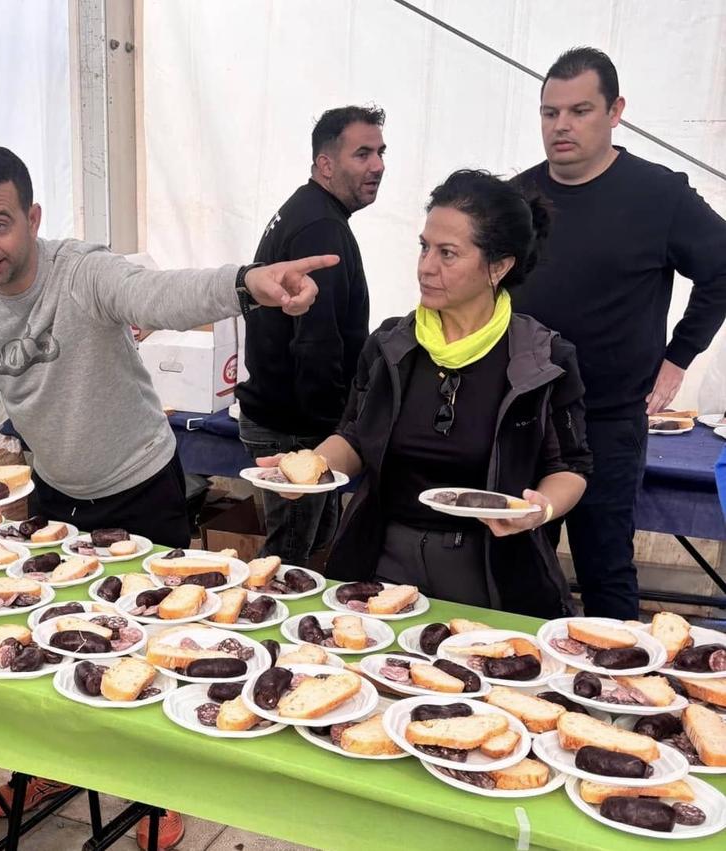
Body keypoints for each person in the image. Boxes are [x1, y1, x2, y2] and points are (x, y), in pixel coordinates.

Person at [0, 145, 331, 849]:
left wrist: (249, 282)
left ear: (32, 217)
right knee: (52, 640)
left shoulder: (81, 274)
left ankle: (158, 790)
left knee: (155, 645)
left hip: (139, 486)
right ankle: (57, 765)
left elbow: (162, 295)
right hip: (54, 494)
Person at [262, 170, 592, 617]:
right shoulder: (391, 345)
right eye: (424, 247)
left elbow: (570, 467)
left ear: (499, 265)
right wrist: (309, 469)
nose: (426, 266)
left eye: (448, 254)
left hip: (494, 571)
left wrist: (542, 507)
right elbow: (355, 437)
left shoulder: (543, 358)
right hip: (381, 561)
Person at [512, 47, 726, 620]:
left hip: (606, 421)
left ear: (616, 112)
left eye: (580, 110)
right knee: (512, 561)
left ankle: (618, 701)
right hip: (521, 418)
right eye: (550, 112)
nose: (561, 125)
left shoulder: (659, 196)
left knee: (604, 566)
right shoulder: (516, 199)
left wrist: (679, 358)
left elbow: (721, 268)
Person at [236, 104, 384, 569]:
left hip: (288, 418)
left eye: (381, 153)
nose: (377, 166)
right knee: (287, 558)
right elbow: (317, 343)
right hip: (294, 427)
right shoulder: (320, 226)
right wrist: (335, 431)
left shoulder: (310, 212)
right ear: (325, 164)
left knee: (313, 539)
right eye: (362, 154)